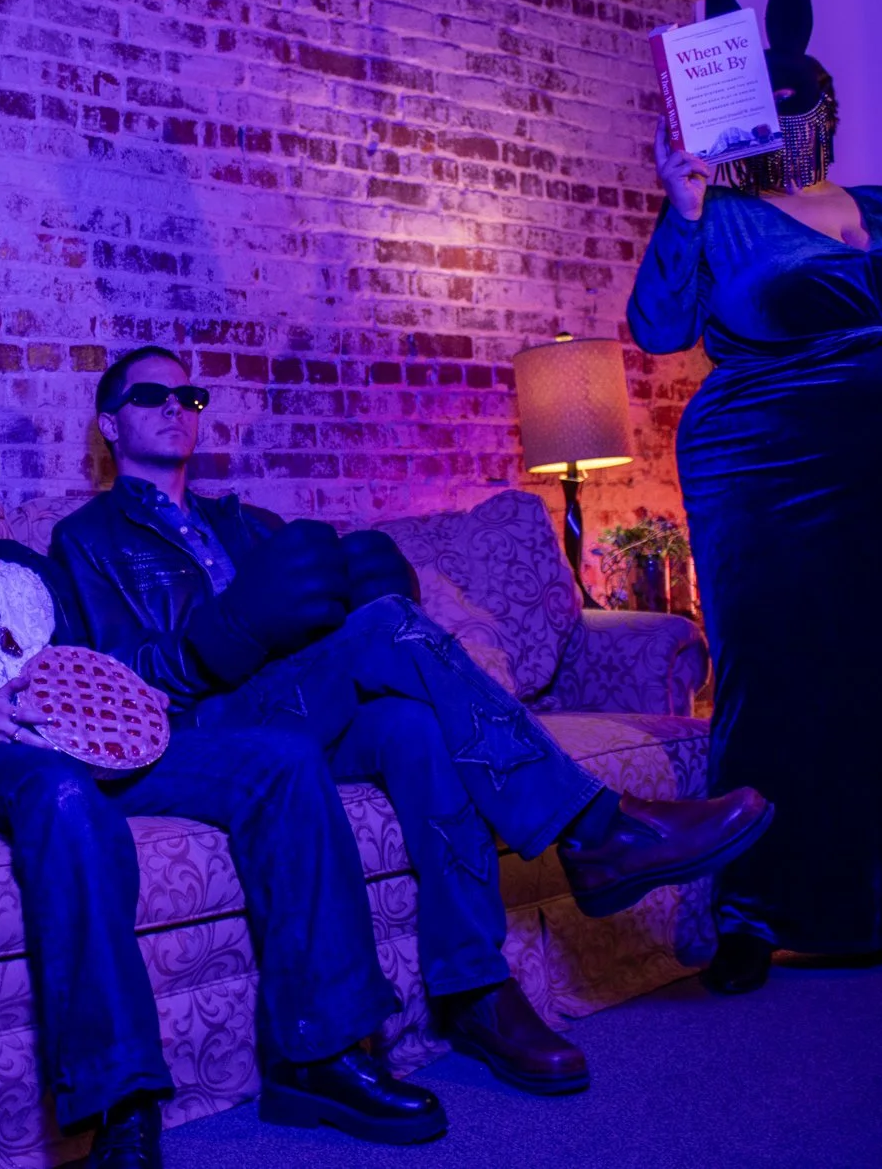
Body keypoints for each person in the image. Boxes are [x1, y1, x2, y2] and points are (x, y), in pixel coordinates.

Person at [0, 278, 452, 1159]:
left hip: (98, 745)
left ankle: (322, 1050)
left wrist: (126, 707)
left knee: (281, 758)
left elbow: (101, 666)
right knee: (62, 792)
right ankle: (122, 1100)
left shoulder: (31, 565)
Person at [50, 345, 775, 1098]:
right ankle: (595, 827)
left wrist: (349, 592)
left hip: (294, 711)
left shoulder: (248, 524)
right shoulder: (87, 539)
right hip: (213, 731)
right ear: (108, 421)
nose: (176, 407)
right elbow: (116, 685)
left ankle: (473, 986)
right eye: (151, 397)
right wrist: (223, 630)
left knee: (417, 730)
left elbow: (308, 631)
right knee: (392, 624)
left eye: (190, 397)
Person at [628, 0, 882, 993]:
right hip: (770, 474)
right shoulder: (722, 212)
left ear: (821, 110)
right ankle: (757, 908)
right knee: (781, 686)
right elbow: (656, 328)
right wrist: (680, 209)